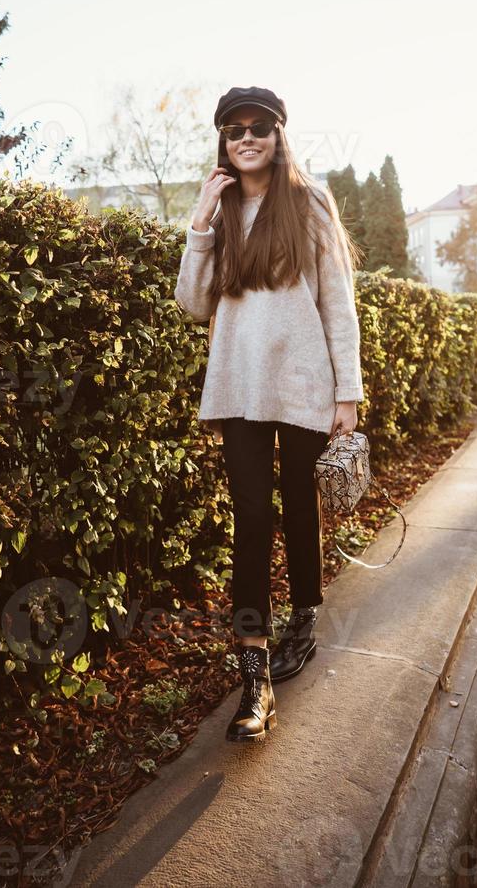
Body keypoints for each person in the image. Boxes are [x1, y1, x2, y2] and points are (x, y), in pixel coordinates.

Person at [174, 86, 364, 743]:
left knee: (298, 503)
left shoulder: (307, 202)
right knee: (252, 517)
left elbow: (338, 302)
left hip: (306, 383)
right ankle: (253, 675)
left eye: (260, 127)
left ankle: (305, 617)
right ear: (223, 140)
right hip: (238, 388)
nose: (247, 137)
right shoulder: (220, 211)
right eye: (234, 129)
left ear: (280, 134)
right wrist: (200, 220)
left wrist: (348, 392)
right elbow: (195, 304)